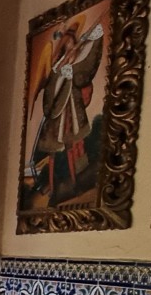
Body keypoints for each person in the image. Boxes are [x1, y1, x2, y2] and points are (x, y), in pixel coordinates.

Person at [26, 17, 105, 203]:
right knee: (54, 155)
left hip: (72, 117)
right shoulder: (57, 71)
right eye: (67, 47)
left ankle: (76, 182)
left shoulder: (76, 68)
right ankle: (53, 187)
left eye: (72, 47)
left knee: (74, 148)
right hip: (57, 122)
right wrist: (62, 75)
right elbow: (49, 101)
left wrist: (96, 39)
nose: (70, 51)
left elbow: (87, 70)